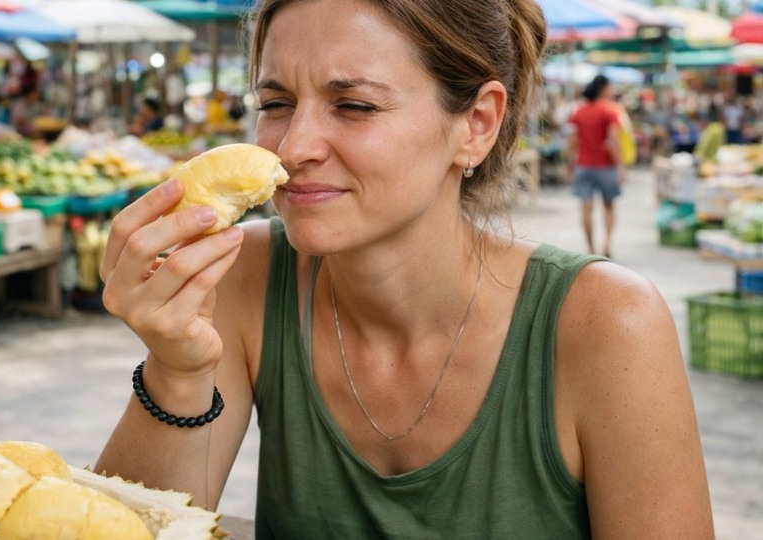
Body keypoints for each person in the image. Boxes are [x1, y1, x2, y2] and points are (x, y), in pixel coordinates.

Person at [95, 0, 713, 537]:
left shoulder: (605, 322)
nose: (292, 146)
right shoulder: (245, 274)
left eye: (355, 105)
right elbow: (139, 527)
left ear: (476, 125)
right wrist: (176, 370)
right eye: (276, 102)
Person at [565, 74, 626, 258]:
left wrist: (569, 163)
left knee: (586, 208)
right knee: (608, 206)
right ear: (603, 88)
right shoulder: (610, 111)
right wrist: (621, 166)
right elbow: (612, 141)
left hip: (583, 166)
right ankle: (606, 246)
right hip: (606, 166)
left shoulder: (579, 111)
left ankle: (591, 249)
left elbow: (572, 141)